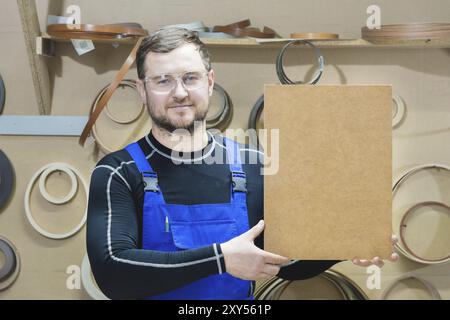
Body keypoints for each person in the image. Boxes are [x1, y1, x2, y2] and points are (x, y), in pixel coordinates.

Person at [86, 27, 398, 300]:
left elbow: (282, 263)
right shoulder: (118, 172)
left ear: (209, 81)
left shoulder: (254, 166)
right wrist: (220, 259)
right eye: (163, 81)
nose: (179, 92)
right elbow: (113, 272)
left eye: (189, 78)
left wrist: (344, 245)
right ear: (142, 89)